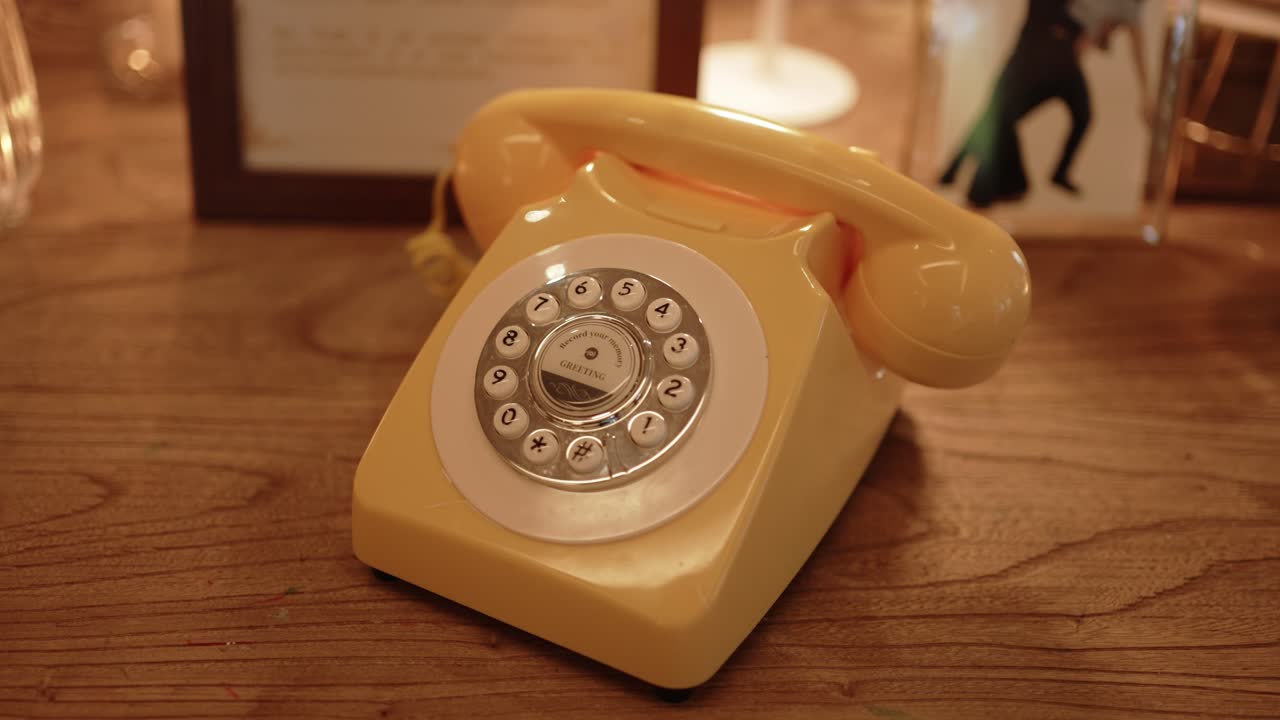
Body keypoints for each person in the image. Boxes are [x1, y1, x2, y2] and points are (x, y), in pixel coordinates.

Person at [939, 0, 1149, 207]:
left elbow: (1091, 36)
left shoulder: (1119, 10)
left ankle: (964, 176)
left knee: (1001, 114)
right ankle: (977, 180)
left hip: (1051, 53)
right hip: (1041, 50)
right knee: (1000, 115)